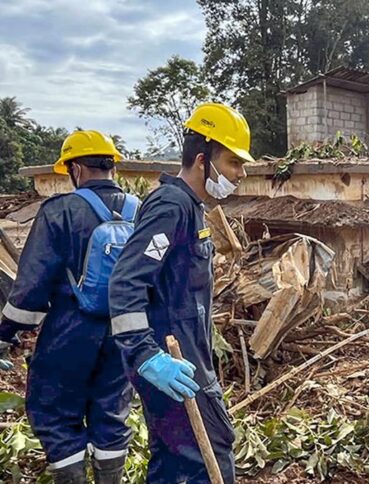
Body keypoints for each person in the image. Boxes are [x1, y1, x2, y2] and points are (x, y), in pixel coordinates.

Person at [109, 103, 253, 483]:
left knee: (172, 466)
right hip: (173, 368)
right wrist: (147, 357)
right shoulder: (171, 207)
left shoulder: (191, 208)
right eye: (234, 163)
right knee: (211, 457)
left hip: (186, 363)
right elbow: (125, 284)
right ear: (203, 159)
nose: (241, 174)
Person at [0, 131, 137, 484]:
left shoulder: (60, 211)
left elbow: (31, 286)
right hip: (126, 332)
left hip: (69, 331)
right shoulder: (141, 211)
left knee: (55, 413)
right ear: (111, 165)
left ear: (75, 168)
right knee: (111, 413)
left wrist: (7, 331)